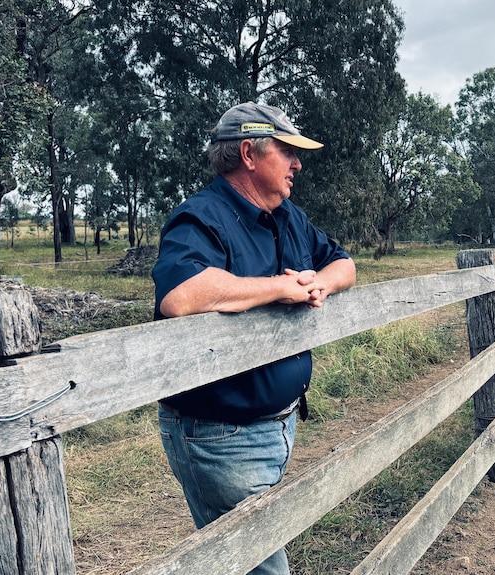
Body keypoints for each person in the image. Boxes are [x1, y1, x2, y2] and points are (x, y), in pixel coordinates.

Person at [151, 102, 356, 575]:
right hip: (220, 435)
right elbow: (181, 295)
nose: (297, 164)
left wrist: (321, 282)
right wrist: (280, 288)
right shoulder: (200, 217)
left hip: (280, 424)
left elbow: (345, 262)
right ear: (248, 153)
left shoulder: (290, 216)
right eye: (287, 151)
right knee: (261, 566)